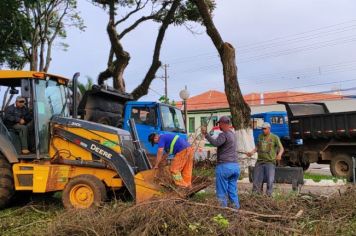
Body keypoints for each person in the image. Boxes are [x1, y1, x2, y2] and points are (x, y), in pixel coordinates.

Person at [201, 116, 240, 208]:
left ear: (222, 124)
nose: (219, 126)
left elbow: (216, 143)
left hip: (224, 167)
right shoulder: (233, 134)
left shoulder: (224, 134)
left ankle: (223, 212)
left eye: (219, 124)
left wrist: (206, 134)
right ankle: (236, 210)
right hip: (235, 167)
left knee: (221, 191)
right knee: (232, 191)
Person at [247, 122, 284, 196]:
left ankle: (268, 195)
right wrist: (251, 152)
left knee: (270, 180)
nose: (263, 130)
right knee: (256, 179)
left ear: (269, 129)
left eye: (265, 129)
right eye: (262, 129)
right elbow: (257, 147)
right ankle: (256, 195)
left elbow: (281, 148)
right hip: (260, 161)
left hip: (270, 162)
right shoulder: (260, 136)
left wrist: (279, 154)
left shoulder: (274, 137)